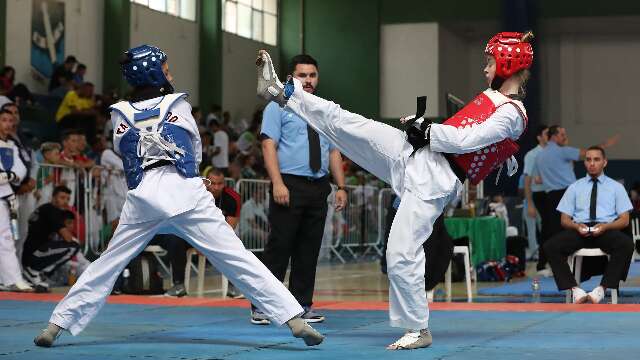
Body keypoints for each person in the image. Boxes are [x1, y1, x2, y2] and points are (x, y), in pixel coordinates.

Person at [33, 44, 323, 348]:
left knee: (107, 263)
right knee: (236, 258)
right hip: (185, 193)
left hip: (143, 197)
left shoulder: (118, 114)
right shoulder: (178, 105)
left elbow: (125, 154)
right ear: (154, 73)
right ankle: (294, 318)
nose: (170, 73)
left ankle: (57, 324)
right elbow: (193, 153)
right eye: (166, 68)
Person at [256, 32, 533, 350]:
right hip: (418, 155)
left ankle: (418, 329)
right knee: (349, 122)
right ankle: (282, 92)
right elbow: (459, 135)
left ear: (508, 64)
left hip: (436, 179)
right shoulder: (491, 98)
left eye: (490, 61)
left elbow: (466, 141)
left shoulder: (514, 113)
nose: (486, 68)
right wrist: (422, 128)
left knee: (400, 253)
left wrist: (428, 129)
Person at [253, 54, 348, 326]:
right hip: (289, 184)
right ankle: (262, 306)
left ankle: (302, 305)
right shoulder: (277, 106)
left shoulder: (323, 109)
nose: (308, 80)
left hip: (318, 186)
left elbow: (333, 151)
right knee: (279, 248)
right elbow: (268, 145)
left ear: (317, 78)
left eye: (312, 75)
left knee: (309, 249)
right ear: (291, 77)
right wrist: (278, 183)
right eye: (302, 75)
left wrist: (340, 186)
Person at [543, 146, 634, 303]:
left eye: (596, 159)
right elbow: (564, 220)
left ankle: (601, 289)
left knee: (626, 244)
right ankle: (575, 289)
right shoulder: (574, 187)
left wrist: (605, 227)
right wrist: (576, 226)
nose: (592, 163)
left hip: (605, 229)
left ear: (604, 162)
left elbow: (624, 219)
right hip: (580, 229)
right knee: (550, 246)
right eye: (588, 159)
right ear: (584, 163)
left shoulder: (616, 187)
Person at [535, 125, 619, 277]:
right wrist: (604, 145)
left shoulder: (540, 155)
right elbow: (587, 154)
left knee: (550, 232)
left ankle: (546, 265)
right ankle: (580, 267)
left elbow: (539, 179)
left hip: (549, 196)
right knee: (574, 230)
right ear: (553, 136)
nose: (564, 137)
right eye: (562, 134)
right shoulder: (562, 151)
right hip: (566, 193)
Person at [22, 186, 89, 291]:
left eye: (67, 199)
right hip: (33, 255)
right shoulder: (52, 211)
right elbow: (67, 238)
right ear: (53, 198)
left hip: (30, 253)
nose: (65, 201)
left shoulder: (45, 208)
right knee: (73, 246)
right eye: (62, 198)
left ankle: (35, 272)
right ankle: (36, 271)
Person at [0, 109, 32, 291]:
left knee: (6, 238)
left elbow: (21, 169)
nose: (8, 124)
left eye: (10, 121)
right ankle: (10, 279)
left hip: (5, 195)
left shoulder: (12, 145)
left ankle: (12, 278)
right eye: (3, 120)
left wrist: (10, 175)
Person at [522, 125, 547, 261]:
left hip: (549, 198)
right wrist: (530, 203)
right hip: (534, 198)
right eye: (546, 133)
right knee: (532, 230)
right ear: (539, 137)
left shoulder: (553, 153)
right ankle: (534, 254)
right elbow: (527, 180)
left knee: (546, 229)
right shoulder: (532, 155)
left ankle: (546, 254)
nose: (549, 136)